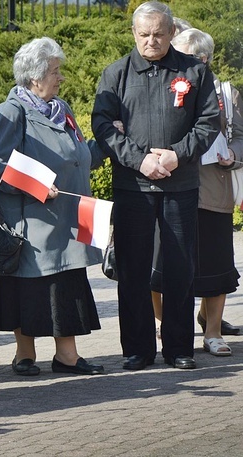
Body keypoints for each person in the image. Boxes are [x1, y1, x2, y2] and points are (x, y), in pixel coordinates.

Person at [92, 1, 220, 370]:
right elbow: (102, 126)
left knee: (180, 267)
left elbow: (209, 121)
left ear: (171, 32)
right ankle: (137, 349)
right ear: (134, 33)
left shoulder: (194, 71)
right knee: (132, 270)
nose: (151, 41)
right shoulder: (115, 74)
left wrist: (177, 155)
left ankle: (180, 348)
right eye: (144, 34)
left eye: (159, 34)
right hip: (133, 186)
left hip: (180, 184)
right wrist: (140, 159)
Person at [0, 37, 106, 377]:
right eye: (54, 71)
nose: (60, 77)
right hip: (33, 224)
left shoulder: (62, 109)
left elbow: (77, 154)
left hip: (68, 219)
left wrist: (107, 144)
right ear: (34, 77)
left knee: (67, 286)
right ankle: (24, 355)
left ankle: (67, 356)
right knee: (33, 289)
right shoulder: (11, 111)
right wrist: (36, 186)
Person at [147, 28, 242, 355]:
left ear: (202, 59)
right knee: (160, 266)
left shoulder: (227, 95)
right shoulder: (161, 86)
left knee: (216, 265)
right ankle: (163, 325)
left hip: (212, 191)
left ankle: (213, 332)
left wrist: (233, 156)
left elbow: (240, 136)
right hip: (168, 190)